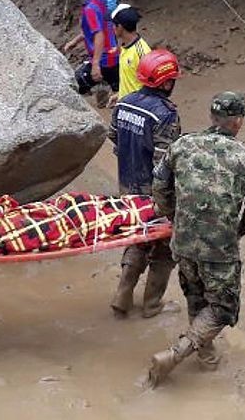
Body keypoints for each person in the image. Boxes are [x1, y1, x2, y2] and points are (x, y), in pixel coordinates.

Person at [146, 92, 245, 387]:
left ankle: (207, 357)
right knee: (223, 307)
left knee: (196, 296)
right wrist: (237, 231)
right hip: (220, 248)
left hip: (183, 242)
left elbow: (159, 186)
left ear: (212, 117)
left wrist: (176, 217)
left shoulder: (181, 145)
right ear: (238, 122)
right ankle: (175, 355)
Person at [0, 177, 160, 257]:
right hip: (11, 230)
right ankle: (152, 210)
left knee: (76, 202)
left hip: (12, 218)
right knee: (82, 217)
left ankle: (144, 204)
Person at [108, 49, 181, 319]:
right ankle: (151, 304)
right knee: (163, 247)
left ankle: (122, 294)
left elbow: (113, 137)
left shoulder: (124, 103)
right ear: (165, 82)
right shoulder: (165, 115)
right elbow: (165, 163)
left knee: (136, 238)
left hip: (127, 187)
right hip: (153, 193)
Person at [62, 0, 119, 100]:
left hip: (105, 61)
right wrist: (74, 42)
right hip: (112, 56)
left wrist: (95, 64)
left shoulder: (90, 9)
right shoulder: (97, 2)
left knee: (72, 89)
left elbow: (99, 35)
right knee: (120, 91)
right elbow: (92, 30)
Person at [110, 4, 150, 101]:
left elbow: (151, 87)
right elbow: (131, 80)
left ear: (119, 27)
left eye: (113, 25)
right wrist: (120, 95)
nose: (111, 27)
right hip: (126, 105)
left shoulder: (142, 53)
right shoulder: (124, 46)